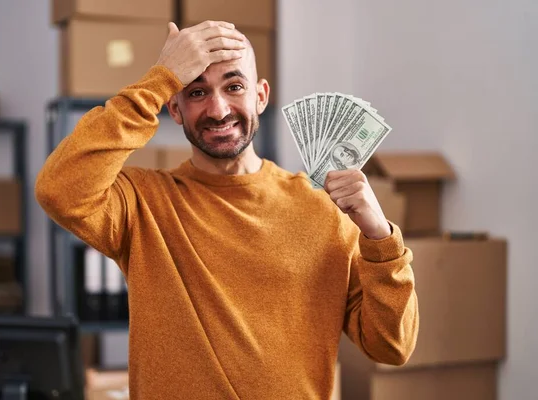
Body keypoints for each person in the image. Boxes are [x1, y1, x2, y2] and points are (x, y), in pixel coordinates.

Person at [36, 20, 418, 400]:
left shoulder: (324, 210)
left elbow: (392, 346)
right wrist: (159, 80)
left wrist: (379, 237)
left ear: (261, 96)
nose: (218, 110)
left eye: (234, 87)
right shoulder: (143, 203)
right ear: (175, 109)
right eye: (197, 92)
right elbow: (58, 190)